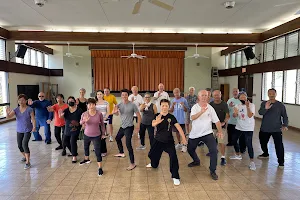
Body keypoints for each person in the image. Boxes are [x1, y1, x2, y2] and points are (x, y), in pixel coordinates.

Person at [147, 99, 187, 186]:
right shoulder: (157, 115)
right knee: (151, 155)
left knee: (173, 157)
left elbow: (179, 127)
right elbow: (153, 124)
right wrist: (157, 121)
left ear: (168, 107)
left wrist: (183, 138)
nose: (164, 107)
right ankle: (154, 164)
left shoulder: (171, 117)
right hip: (158, 140)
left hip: (169, 141)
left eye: (166, 106)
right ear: (160, 106)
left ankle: (175, 176)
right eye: (163, 106)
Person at [187, 90, 223, 180]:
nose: (204, 97)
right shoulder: (195, 107)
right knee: (190, 149)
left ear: (208, 97)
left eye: (205, 95)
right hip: (195, 133)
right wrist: (201, 112)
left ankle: (213, 170)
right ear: (198, 97)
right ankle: (196, 161)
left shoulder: (210, 108)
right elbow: (192, 118)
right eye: (202, 95)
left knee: (214, 150)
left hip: (207, 133)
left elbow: (217, 121)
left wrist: (220, 131)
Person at [258, 88, 288, 169]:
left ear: (275, 94)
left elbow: (284, 116)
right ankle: (265, 153)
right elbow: (260, 112)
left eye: (273, 93)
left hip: (276, 129)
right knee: (262, 142)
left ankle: (281, 162)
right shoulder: (264, 103)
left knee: (279, 146)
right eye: (269, 93)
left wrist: (285, 125)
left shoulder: (280, 105)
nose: (271, 95)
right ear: (268, 94)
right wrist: (266, 108)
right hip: (265, 128)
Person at [113, 89, 141, 170]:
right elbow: (116, 113)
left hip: (129, 126)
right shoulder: (119, 104)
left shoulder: (132, 105)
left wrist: (138, 126)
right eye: (122, 95)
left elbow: (139, 116)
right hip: (122, 126)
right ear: (121, 96)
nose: (124, 96)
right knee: (117, 138)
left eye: (125, 95)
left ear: (128, 95)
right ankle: (121, 152)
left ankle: (132, 163)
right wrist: (115, 111)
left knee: (128, 144)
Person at [6, 94, 36, 169]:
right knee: (20, 146)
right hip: (19, 130)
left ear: (26, 101)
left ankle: (28, 162)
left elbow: (33, 119)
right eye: (19, 100)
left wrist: (34, 127)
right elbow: (8, 117)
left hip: (27, 130)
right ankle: (25, 156)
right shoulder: (16, 109)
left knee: (24, 144)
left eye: (22, 100)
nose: (21, 102)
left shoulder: (29, 109)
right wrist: (7, 113)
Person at [230, 92, 256, 171]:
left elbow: (250, 115)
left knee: (249, 144)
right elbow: (235, 116)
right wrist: (234, 112)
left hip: (248, 127)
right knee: (233, 140)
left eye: (244, 97)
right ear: (239, 99)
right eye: (241, 97)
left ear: (247, 97)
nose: (243, 98)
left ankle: (252, 162)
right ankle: (238, 155)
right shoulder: (238, 106)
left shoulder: (252, 105)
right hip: (239, 126)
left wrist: (247, 107)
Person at [79, 98, 106, 176]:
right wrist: (85, 121)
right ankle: (86, 159)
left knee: (98, 151)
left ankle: (100, 168)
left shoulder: (99, 114)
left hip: (96, 135)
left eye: (93, 104)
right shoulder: (84, 114)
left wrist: (103, 133)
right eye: (89, 104)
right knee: (86, 147)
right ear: (87, 105)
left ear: (95, 105)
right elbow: (80, 122)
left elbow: (102, 125)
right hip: (87, 134)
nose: (91, 106)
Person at [59, 96, 83, 163]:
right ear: (67, 102)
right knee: (65, 141)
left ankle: (74, 156)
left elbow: (82, 118)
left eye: (72, 101)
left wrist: (83, 125)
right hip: (67, 128)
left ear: (75, 102)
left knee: (72, 141)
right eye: (69, 101)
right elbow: (62, 117)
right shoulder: (66, 110)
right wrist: (61, 116)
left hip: (76, 128)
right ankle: (73, 152)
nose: (71, 102)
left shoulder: (79, 110)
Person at [210, 90, 230, 166]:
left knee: (222, 143)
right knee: (211, 142)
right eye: (215, 95)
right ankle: (213, 155)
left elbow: (228, 116)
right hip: (212, 127)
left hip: (222, 127)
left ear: (221, 95)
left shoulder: (224, 104)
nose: (216, 97)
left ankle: (223, 157)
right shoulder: (211, 104)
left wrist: (224, 122)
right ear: (213, 96)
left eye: (218, 95)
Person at [95, 90, 110, 157]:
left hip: (103, 122)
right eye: (98, 94)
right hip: (95, 122)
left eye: (100, 94)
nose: (99, 95)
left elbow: (108, 112)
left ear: (103, 95)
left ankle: (104, 150)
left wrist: (105, 118)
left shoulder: (106, 103)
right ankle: (98, 149)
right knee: (96, 136)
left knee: (102, 135)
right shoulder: (95, 103)